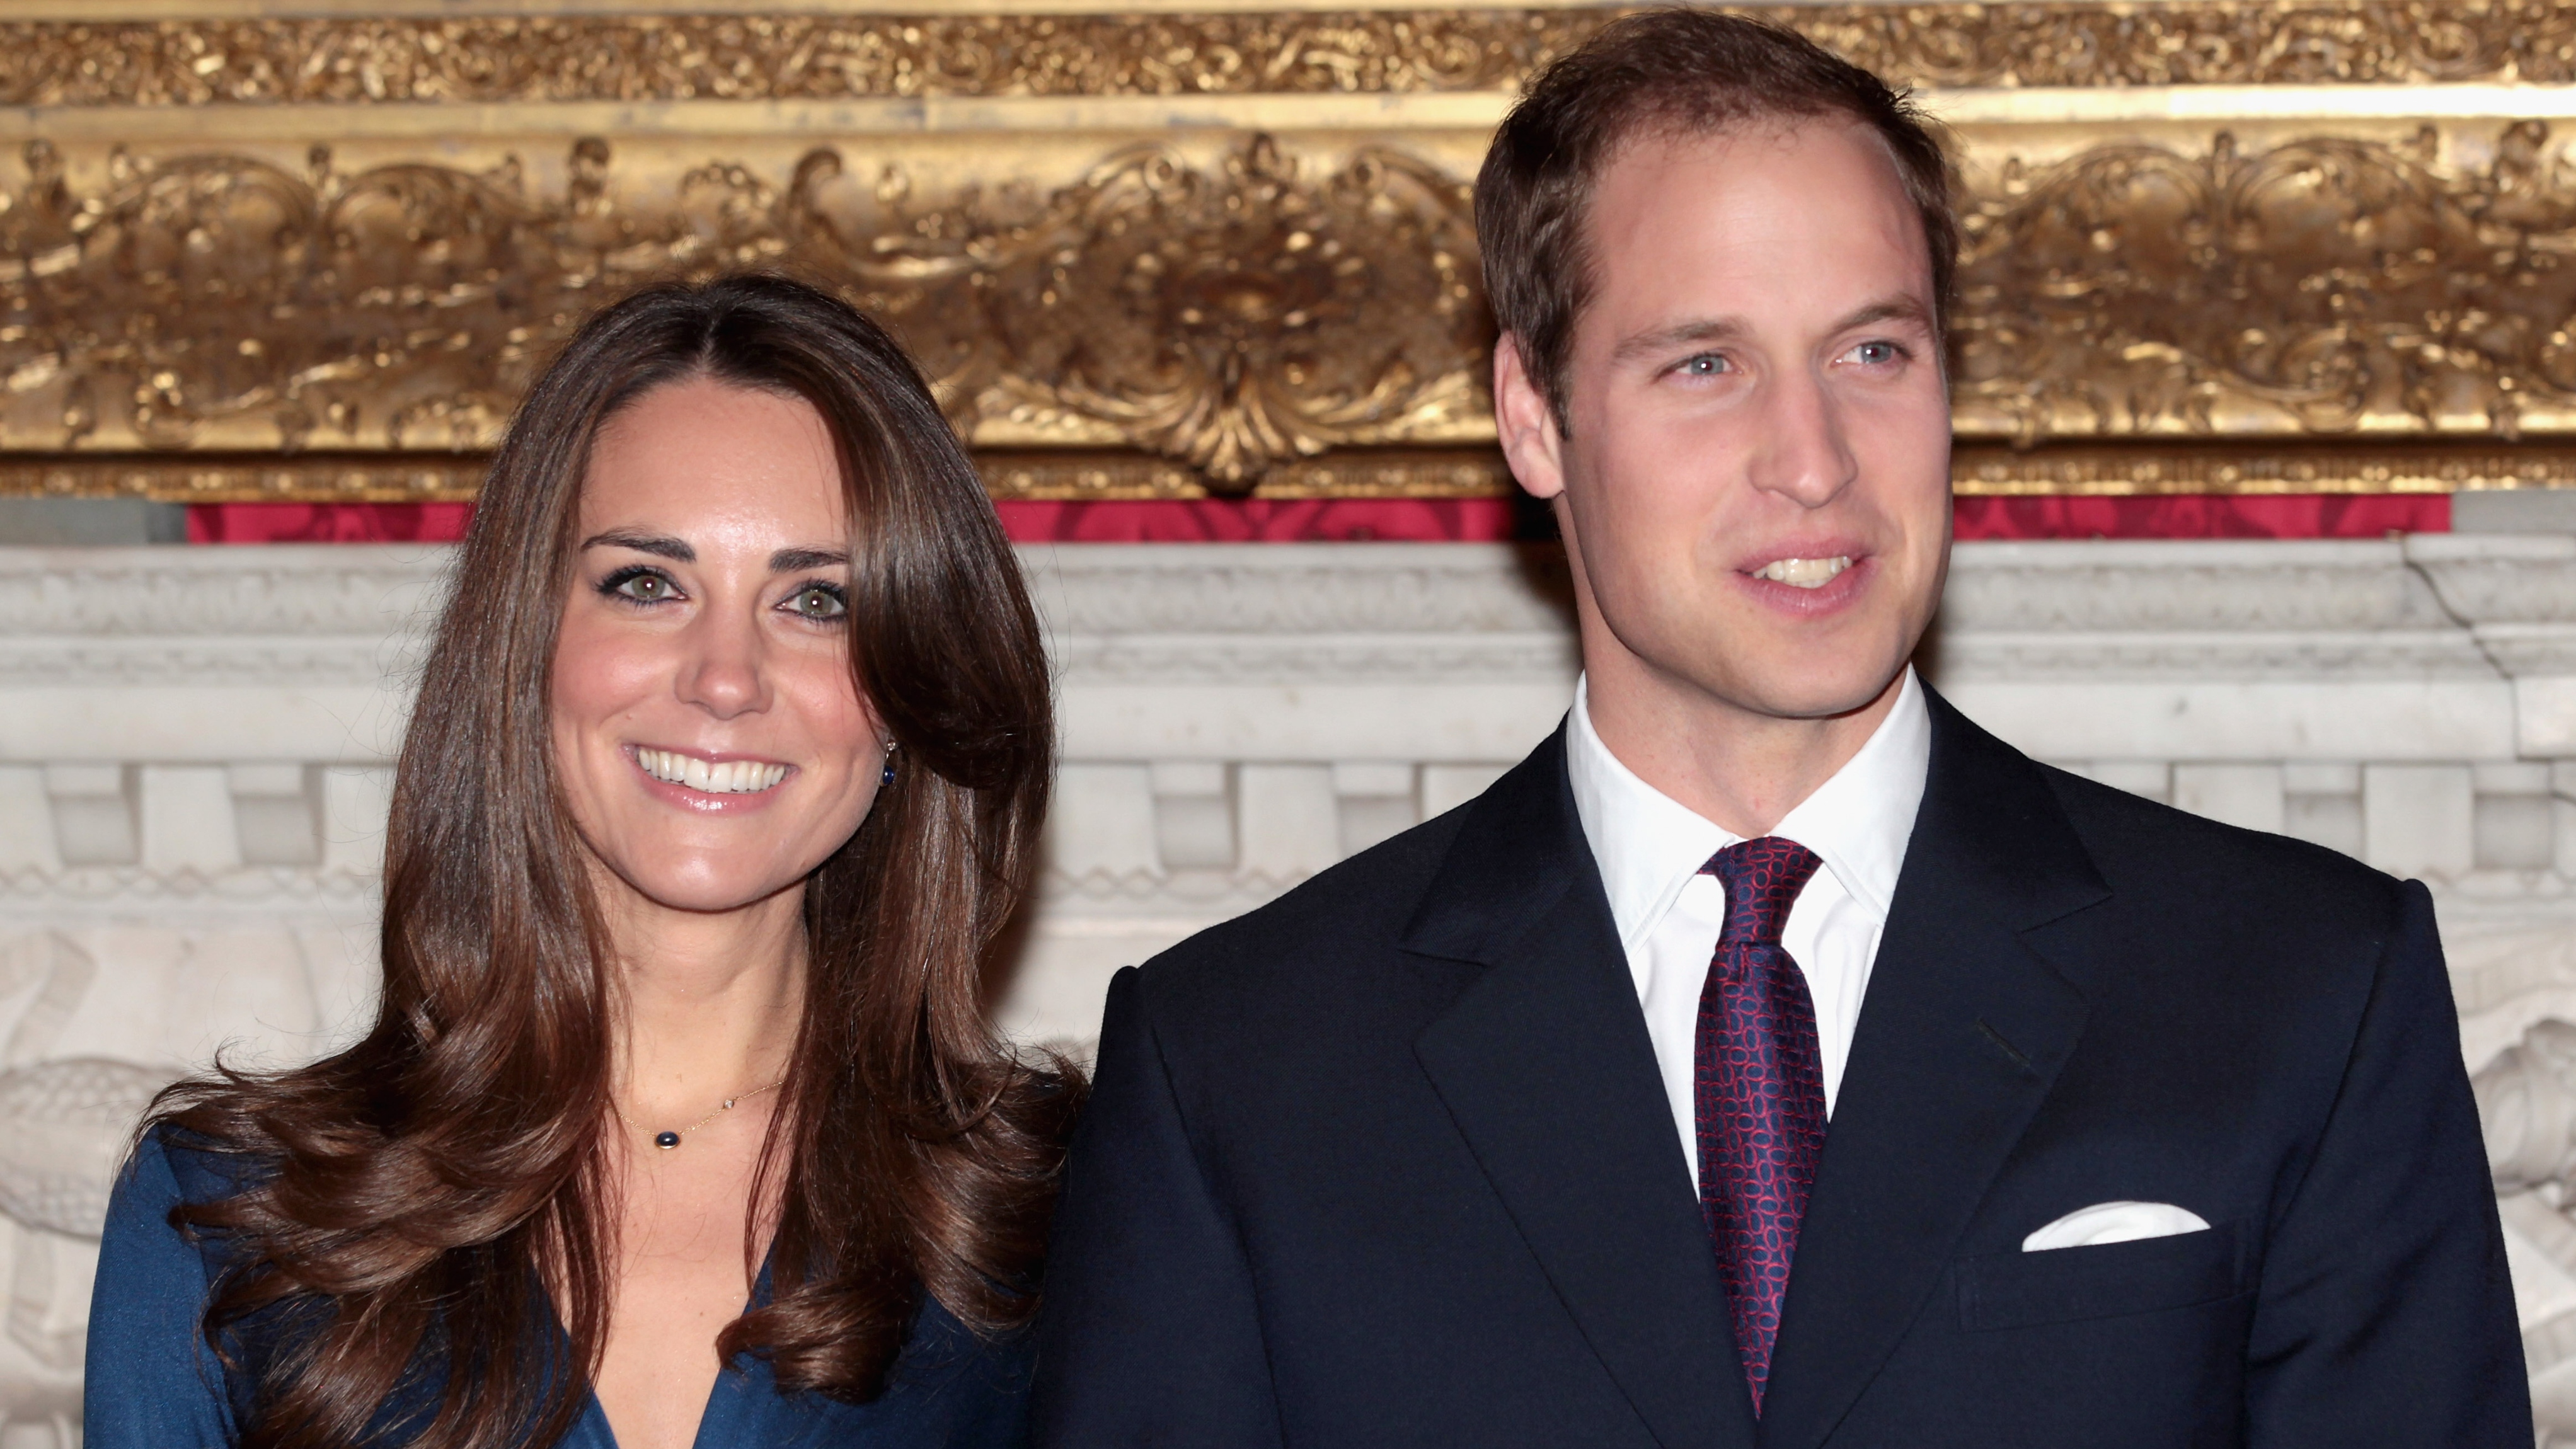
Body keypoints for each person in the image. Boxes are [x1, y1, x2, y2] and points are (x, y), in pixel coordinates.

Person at [1032, 12, 2527, 1446]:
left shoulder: (2301, 992)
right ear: (1534, 417)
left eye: (1872, 353)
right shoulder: (1240, 1068)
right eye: (1704, 365)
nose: (1813, 461)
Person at [87, 273, 1076, 1449]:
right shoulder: (230, 1220)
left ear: (908, 695)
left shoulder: (1071, 1211)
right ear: (528, 646)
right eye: (647, 584)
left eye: (818, 600)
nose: (725, 676)